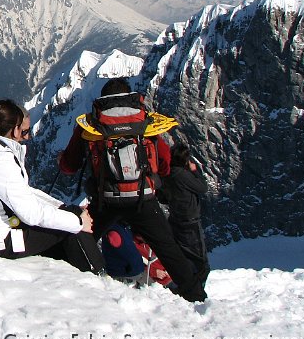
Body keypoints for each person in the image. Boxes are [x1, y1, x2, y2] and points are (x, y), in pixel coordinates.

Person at [58, 78, 207, 302]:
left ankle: (65, 280)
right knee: (168, 247)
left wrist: (64, 159)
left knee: (82, 234)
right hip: (142, 199)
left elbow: (69, 165)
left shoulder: (91, 124)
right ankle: (195, 295)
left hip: (105, 199)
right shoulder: (144, 122)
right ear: (129, 96)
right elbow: (164, 162)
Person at [0, 99, 105, 273]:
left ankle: (82, 268)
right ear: (15, 130)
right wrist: (77, 221)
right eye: (25, 131)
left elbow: (24, 192)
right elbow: (31, 214)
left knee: (68, 218)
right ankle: (97, 274)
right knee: (71, 227)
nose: (28, 137)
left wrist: (62, 208)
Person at [161, 143, 211, 290]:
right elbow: (202, 188)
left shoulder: (168, 175)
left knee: (183, 258)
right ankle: (196, 291)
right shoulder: (182, 175)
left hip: (175, 220)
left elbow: (163, 197)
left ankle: (184, 286)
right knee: (201, 263)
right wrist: (195, 172)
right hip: (190, 223)